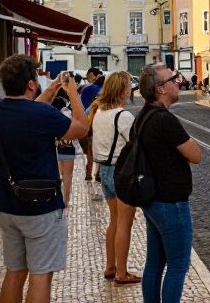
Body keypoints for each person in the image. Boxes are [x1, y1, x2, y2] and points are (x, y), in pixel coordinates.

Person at [0, 56, 87, 303]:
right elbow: (81, 129)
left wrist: (52, 88)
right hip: (41, 207)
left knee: (15, 271)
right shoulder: (41, 114)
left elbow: (29, 111)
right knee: (41, 274)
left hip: (7, 204)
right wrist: (72, 93)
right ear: (31, 84)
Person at [136, 64, 202, 303]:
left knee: (154, 263)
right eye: (173, 79)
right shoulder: (164, 120)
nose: (178, 81)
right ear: (160, 89)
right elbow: (196, 155)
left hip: (153, 201)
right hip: (171, 203)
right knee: (178, 265)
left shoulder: (142, 116)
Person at [90, 72, 139, 284]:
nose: (130, 89)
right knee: (124, 224)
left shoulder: (98, 112)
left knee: (114, 220)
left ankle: (110, 266)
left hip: (105, 171)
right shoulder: (123, 116)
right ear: (122, 91)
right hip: (122, 173)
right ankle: (121, 272)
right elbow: (135, 144)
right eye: (128, 86)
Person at [80, 67, 105, 181]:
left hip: (88, 123)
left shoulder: (87, 89)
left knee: (89, 150)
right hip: (101, 124)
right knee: (100, 149)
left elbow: (81, 107)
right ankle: (98, 173)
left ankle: (88, 173)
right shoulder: (104, 92)